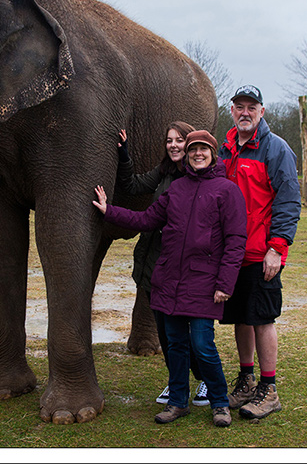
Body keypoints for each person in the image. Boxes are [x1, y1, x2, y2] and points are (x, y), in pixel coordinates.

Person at [94, 130, 246, 428]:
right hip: (169, 282)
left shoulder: (227, 191)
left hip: (203, 284)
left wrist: (225, 284)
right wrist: (108, 210)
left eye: (203, 149)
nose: (197, 154)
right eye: (193, 150)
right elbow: (146, 220)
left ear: (213, 154)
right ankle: (178, 402)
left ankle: (219, 402)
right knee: (175, 345)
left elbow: (235, 241)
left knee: (203, 345)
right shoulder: (175, 190)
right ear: (187, 155)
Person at [218, 85, 302, 420]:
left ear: (262, 112)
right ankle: (246, 379)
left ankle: (269, 389)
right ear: (233, 111)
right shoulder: (223, 150)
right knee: (241, 317)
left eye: (251, 107)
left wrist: (277, 248)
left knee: (263, 319)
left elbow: (288, 201)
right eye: (239, 106)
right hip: (231, 254)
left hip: (261, 253)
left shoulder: (275, 149)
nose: (245, 113)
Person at [115, 123, 210, 407]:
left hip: (179, 266)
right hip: (152, 261)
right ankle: (176, 381)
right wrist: (124, 153)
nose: (173, 146)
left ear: (190, 143)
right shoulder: (164, 172)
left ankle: (204, 378)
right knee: (166, 332)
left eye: (179, 140)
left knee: (185, 331)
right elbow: (132, 186)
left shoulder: (195, 178)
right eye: (169, 140)